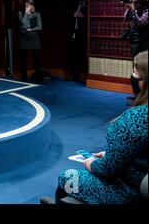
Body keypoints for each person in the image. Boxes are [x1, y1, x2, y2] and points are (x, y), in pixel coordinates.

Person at [42, 50, 148, 204]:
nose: (132, 76)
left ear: (143, 82)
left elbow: (107, 169)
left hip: (127, 189)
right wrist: (112, 154)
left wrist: (90, 163)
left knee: (67, 176)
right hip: (140, 176)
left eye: (134, 72)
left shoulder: (134, 119)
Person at [123, 0, 148, 104]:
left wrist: (134, 10)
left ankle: (141, 98)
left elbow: (140, 23)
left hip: (143, 43)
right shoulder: (139, 8)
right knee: (135, 69)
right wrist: (130, 8)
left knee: (141, 70)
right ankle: (137, 95)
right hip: (135, 41)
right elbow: (126, 18)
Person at [18, 0, 42, 83]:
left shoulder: (36, 14)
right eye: (26, 5)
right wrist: (25, 13)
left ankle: (38, 78)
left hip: (34, 38)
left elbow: (40, 27)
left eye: (28, 5)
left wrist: (31, 29)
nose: (27, 7)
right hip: (24, 38)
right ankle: (24, 77)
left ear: (32, 5)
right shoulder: (21, 13)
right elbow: (23, 24)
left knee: (36, 59)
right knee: (23, 59)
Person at [67, 0, 87, 82]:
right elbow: (73, 15)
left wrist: (82, 16)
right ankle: (75, 75)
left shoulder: (87, 5)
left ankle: (85, 76)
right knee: (74, 54)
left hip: (83, 33)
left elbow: (85, 16)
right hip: (75, 32)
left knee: (83, 55)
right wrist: (74, 15)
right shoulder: (76, 4)